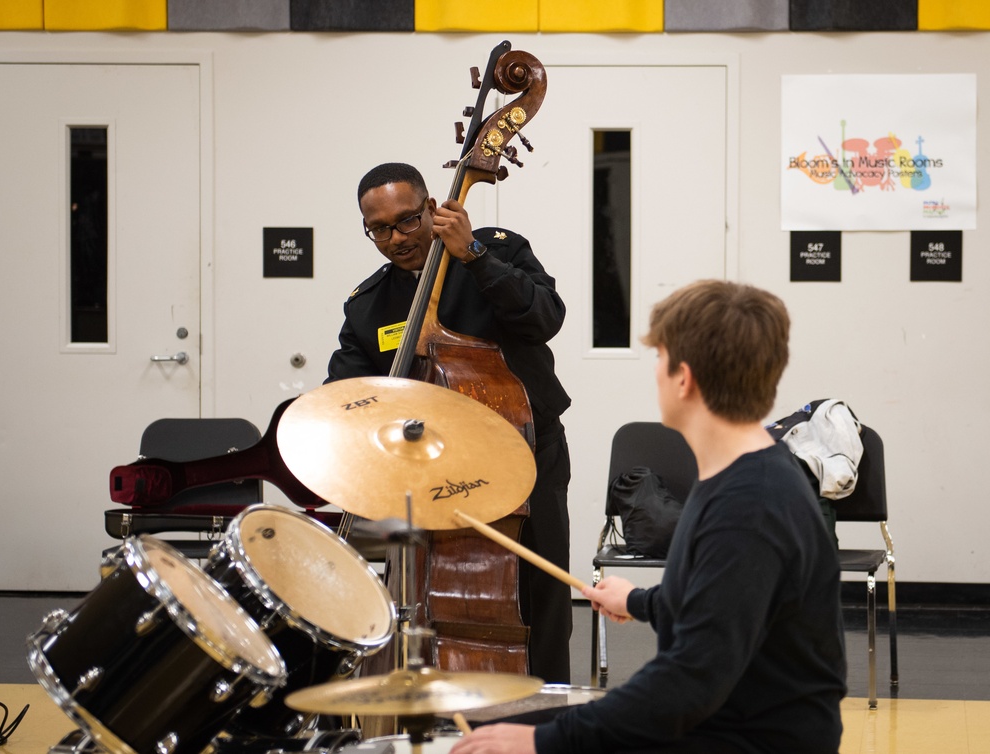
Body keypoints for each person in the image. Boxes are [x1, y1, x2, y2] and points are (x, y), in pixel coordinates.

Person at [453, 280, 847, 754]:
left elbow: (686, 684)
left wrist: (545, 742)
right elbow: (721, 603)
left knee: (520, 733)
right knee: (511, 717)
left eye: (658, 358)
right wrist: (639, 601)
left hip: (749, 738)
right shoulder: (745, 472)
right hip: (727, 717)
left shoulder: (749, 505)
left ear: (684, 379)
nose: (655, 372)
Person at [326, 162, 573, 683]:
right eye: (380, 229)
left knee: (541, 601)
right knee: (439, 608)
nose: (397, 238)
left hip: (528, 456)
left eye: (408, 220)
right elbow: (344, 397)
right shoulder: (368, 306)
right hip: (436, 480)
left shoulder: (496, 250)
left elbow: (545, 318)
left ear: (433, 208)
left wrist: (474, 257)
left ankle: (549, 723)